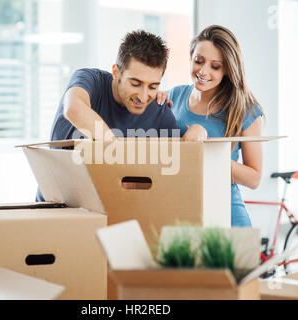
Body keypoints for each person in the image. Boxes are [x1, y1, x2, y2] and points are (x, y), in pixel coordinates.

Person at [36, 30, 205, 202]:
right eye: (135, 84)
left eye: (153, 86)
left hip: (114, 214)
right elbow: (74, 108)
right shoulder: (91, 81)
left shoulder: (159, 111)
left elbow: (177, 173)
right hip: (56, 207)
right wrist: (117, 153)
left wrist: (198, 131)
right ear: (116, 72)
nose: (143, 95)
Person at [157, 25, 264, 227]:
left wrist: (206, 149)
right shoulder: (174, 96)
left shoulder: (244, 109)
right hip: (181, 209)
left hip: (226, 212)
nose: (203, 71)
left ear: (227, 70)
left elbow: (254, 178)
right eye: (198, 61)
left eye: (215, 66)